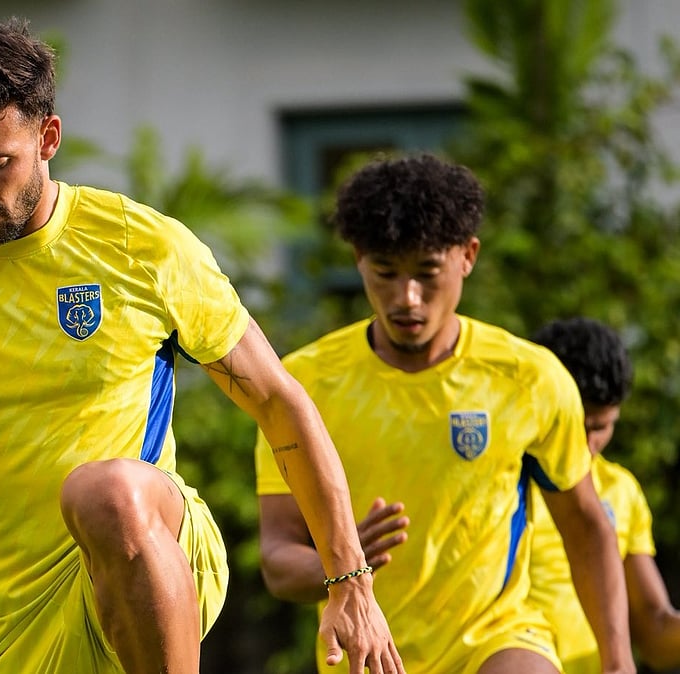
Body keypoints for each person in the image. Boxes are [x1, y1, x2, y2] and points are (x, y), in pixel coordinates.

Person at [0, 17, 402, 674]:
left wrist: (351, 583)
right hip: (10, 619)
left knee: (108, 492)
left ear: (48, 138)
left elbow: (279, 402)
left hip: (154, 551)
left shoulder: (142, 247)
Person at [254, 153, 636, 673]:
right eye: (385, 273)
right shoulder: (301, 389)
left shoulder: (530, 378)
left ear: (467, 256)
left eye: (427, 272)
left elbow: (588, 528)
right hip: (367, 652)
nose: (406, 298)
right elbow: (277, 561)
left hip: (497, 638)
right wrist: (339, 564)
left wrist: (618, 664)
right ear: (359, 258)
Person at [529, 317, 680, 673]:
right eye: (576, 427)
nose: (586, 444)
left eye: (601, 427)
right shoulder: (502, 479)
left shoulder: (621, 489)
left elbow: (655, 629)